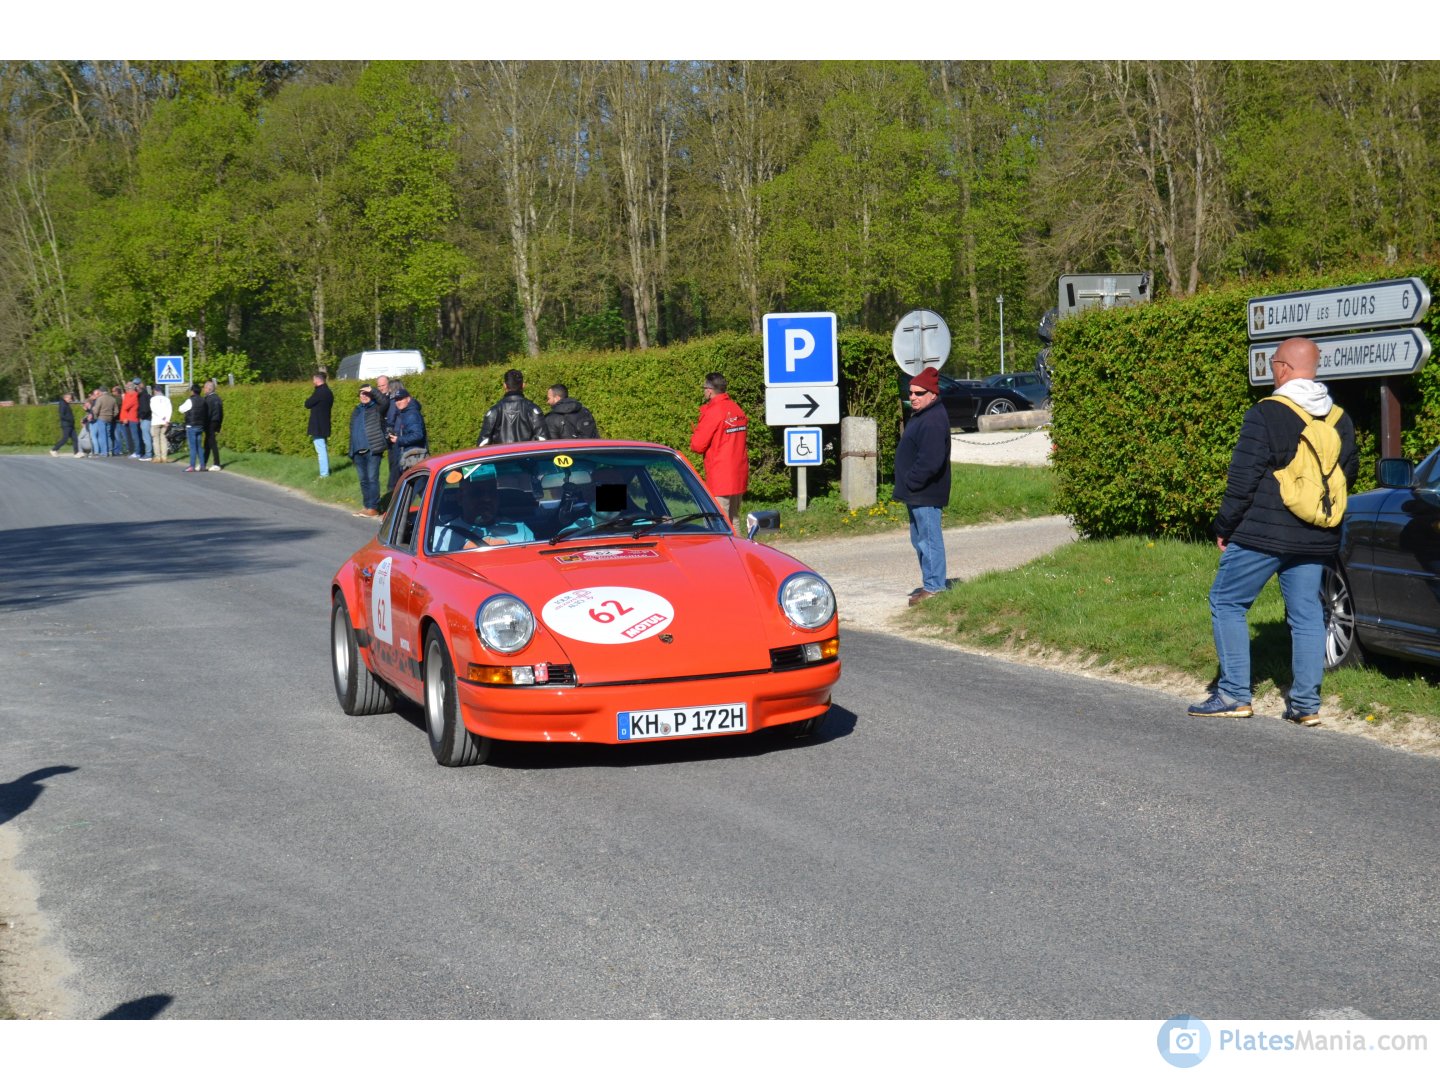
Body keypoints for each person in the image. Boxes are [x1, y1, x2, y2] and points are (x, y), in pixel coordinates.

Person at [1190, 336, 1358, 726]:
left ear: (1283, 367)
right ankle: (1305, 705)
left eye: (1272, 364)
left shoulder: (1265, 413)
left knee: (1227, 602)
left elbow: (1242, 479)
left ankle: (1233, 694)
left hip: (1262, 534)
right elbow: (1347, 474)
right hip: (1316, 535)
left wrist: (1224, 526)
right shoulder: (1339, 418)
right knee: (1307, 616)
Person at [894, 365, 951, 605]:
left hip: (925, 492)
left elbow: (931, 461)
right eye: (911, 393)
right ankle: (930, 583)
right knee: (920, 540)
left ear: (932, 395)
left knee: (929, 540)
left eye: (919, 393)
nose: (913, 397)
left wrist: (912, 481)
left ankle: (935, 587)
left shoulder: (933, 420)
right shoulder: (924, 415)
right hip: (916, 493)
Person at [688, 372, 748, 531]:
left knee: (717, 522)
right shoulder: (736, 408)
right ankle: (737, 552)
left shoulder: (715, 411)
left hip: (720, 475)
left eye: (704, 388)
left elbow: (697, 445)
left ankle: (720, 555)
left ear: (709, 390)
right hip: (738, 473)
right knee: (734, 520)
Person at [431, 471, 535, 551]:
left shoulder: (521, 530)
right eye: (476, 493)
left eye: (492, 492)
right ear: (460, 498)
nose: (487, 498)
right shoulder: (441, 536)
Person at [347, 385, 388, 517]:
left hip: (372, 449)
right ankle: (366, 506)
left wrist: (373, 391)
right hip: (358, 451)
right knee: (363, 480)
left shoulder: (376, 408)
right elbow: (352, 431)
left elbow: (385, 402)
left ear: (371, 395)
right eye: (361, 394)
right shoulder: (356, 410)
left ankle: (374, 508)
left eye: (366, 394)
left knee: (372, 478)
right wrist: (351, 451)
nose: (363, 396)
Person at [477, 368, 546, 446]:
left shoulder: (494, 411)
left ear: (504, 386)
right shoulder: (533, 410)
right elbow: (543, 440)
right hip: (527, 457)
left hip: (502, 457)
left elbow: (483, 443)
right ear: (523, 385)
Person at [386, 384, 427, 486]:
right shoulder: (405, 412)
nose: (398, 402)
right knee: (415, 489)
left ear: (408, 399)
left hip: (414, 457)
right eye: (396, 400)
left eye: (401, 399)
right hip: (409, 457)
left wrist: (399, 439)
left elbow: (417, 435)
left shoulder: (411, 414)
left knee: (417, 488)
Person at [304, 369, 334, 479]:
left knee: (321, 451)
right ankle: (325, 472)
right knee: (323, 449)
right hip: (325, 424)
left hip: (317, 426)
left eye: (313, 380)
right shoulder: (328, 392)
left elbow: (307, 403)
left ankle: (324, 474)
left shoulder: (319, 392)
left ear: (317, 380)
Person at [201, 379, 224, 471]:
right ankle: (204, 463)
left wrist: (203, 423)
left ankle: (217, 463)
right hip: (216, 421)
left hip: (210, 422)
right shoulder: (218, 398)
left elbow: (207, 413)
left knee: (212, 442)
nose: (203, 389)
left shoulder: (208, 399)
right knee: (207, 443)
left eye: (204, 388)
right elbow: (221, 413)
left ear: (208, 389)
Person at [181, 383, 205, 472]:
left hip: (191, 425)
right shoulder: (203, 400)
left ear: (192, 391)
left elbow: (181, 409)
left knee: (192, 447)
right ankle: (202, 465)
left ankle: (192, 465)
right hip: (200, 425)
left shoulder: (190, 400)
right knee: (199, 446)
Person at [50, 392, 79, 457]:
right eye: (70, 398)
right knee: (65, 439)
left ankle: (76, 453)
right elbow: (62, 415)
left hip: (70, 424)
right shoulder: (62, 404)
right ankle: (54, 450)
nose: (71, 400)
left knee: (75, 438)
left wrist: (71, 421)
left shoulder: (66, 404)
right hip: (66, 424)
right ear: (65, 398)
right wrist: (69, 419)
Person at [149, 385, 173, 463]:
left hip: (156, 421)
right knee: (164, 439)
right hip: (165, 422)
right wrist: (167, 420)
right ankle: (164, 457)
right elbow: (170, 410)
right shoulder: (167, 399)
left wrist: (162, 418)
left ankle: (158, 457)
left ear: (155, 391)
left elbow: (154, 409)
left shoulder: (153, 399)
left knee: (155, 439)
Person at [93, 385, 119, 457]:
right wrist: (112, 416)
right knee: (108, 435)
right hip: (110, 418)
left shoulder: (100, 399)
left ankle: (104, 452)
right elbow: (116, 411)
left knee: (102, 435)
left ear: (101, 392)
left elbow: (96, 410)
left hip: (101, 418)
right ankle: (110, 450)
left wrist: (96, 415)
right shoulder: (112, 399)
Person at [119, 381, 141, 456]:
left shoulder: (134, 395)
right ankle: (134, 451)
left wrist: (125, 398)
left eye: (128, 388)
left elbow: (126, 406)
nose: (127, 390)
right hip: (129, 418)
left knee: (135, 436)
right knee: (131, 436)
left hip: (133, 418)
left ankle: (138, 452)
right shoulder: (129, 395)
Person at [134, 379, 154, 460]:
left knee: (146, 437)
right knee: (148, 437)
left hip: (146, 419)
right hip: (148, 418)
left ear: (139, 388)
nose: (136, 391)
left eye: (136, 389)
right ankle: (150, 453)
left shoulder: (143, 397)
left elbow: (145, 409)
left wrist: (141, 416)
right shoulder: (146, 395)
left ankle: (148, 454)